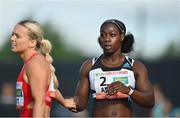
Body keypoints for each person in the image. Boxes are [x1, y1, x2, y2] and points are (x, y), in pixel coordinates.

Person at [69, 19, 154, 117]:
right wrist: (64, 101)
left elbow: (150, 101)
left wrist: (128, 91)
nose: (107, 39)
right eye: (103, 35)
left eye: (112, 35)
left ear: (122, 37)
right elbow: (80, 103)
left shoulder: (135, 67)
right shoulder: (89, 66)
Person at [10, 20, 75, 117]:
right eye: (12, 34)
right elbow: (50, 89)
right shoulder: (35, 62)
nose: (12, 38)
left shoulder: (35, 64)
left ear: (32, 43)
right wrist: (64, 102)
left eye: (17, 36)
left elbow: (40, 103)